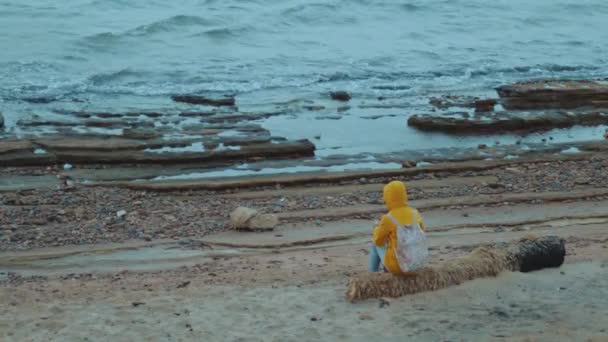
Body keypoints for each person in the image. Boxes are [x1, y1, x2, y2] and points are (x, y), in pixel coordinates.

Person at [368, 180, 426, 274]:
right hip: (417, 261)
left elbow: (379, 242)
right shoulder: (415, 213)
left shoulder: (388, 218)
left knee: (374, 245)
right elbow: (422, 232)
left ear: (387, 197)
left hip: (399, 266)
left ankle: (371, 274)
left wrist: (376, 229)